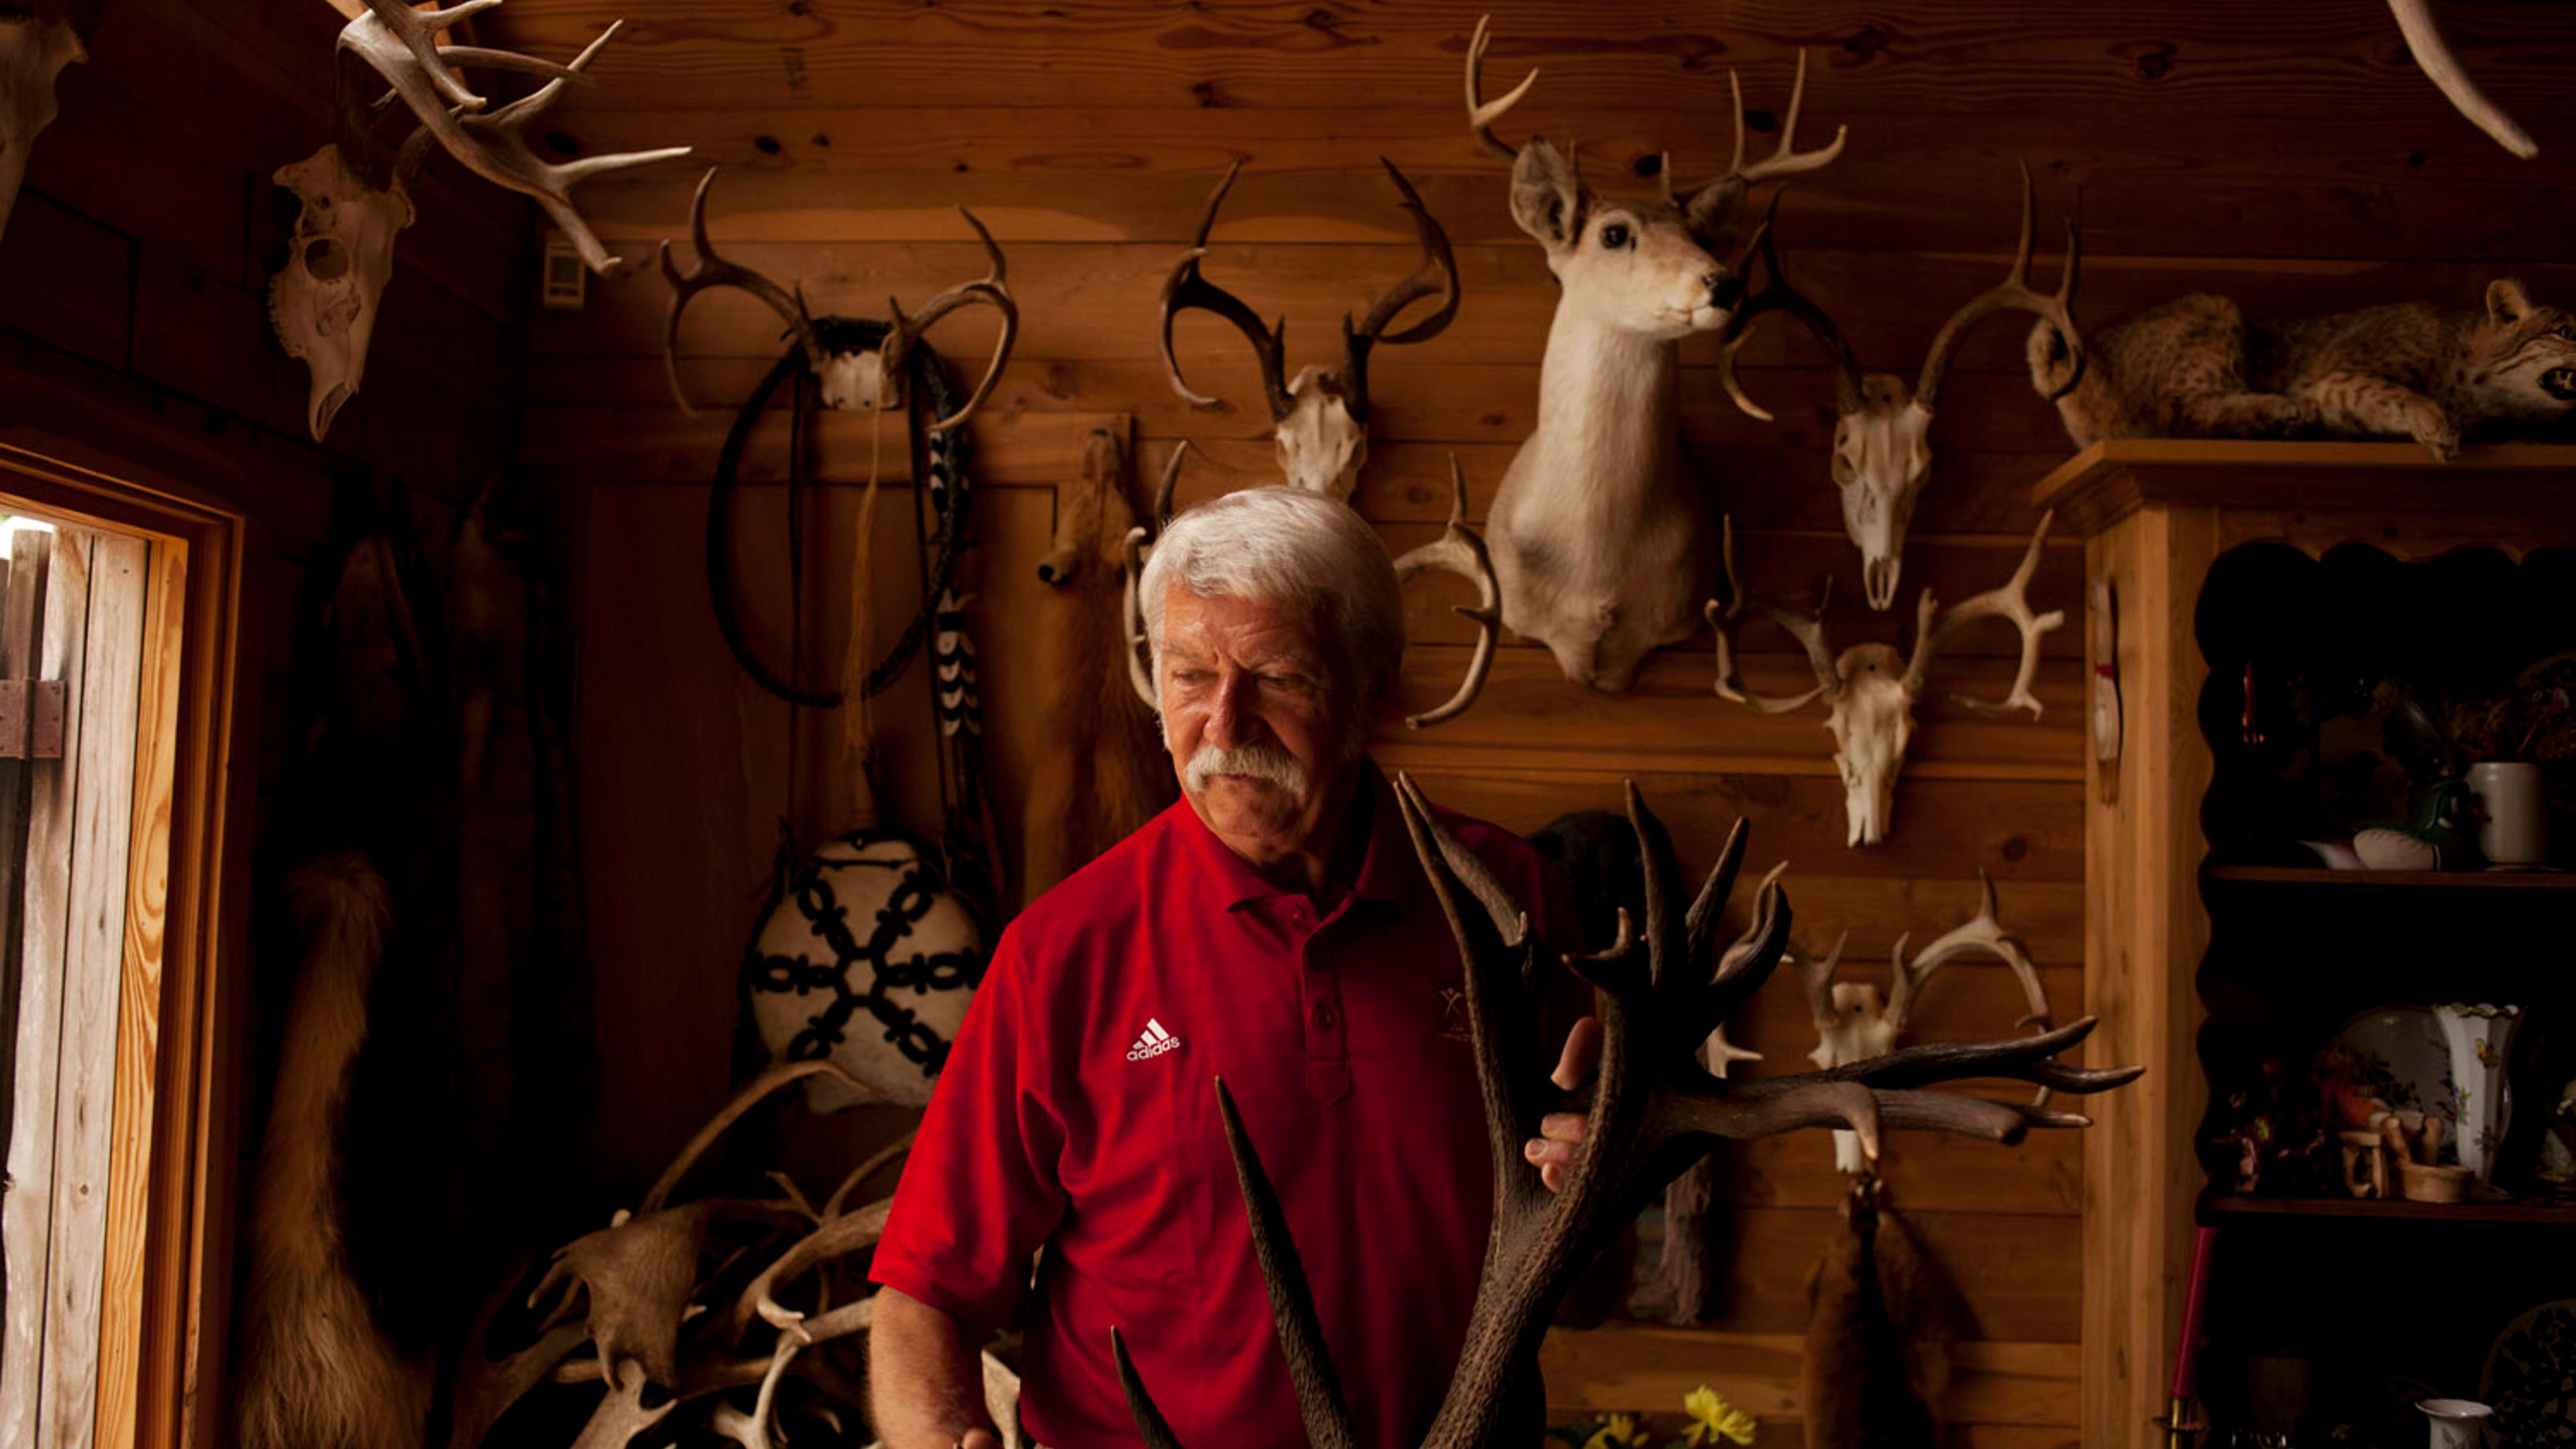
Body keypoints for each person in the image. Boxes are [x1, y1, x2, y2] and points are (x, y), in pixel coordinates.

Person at [868, 487, 1597, 1449]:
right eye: (1188, 676)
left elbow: (1589, 1286)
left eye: (1279, 677)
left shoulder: (1513, 905)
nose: (1224, 723)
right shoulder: (1064, 953)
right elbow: (928, 1290)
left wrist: (1593, 1194)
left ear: (1374, 684)